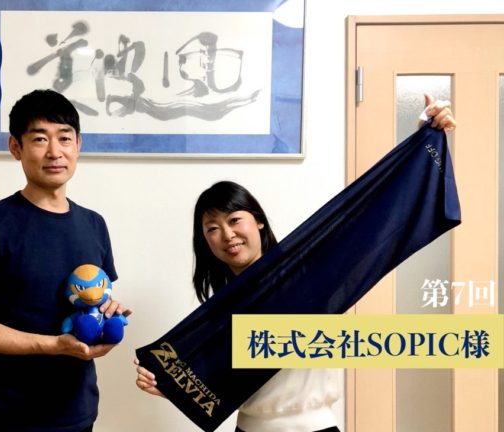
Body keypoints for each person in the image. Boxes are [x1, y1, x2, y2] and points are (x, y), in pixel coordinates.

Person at [134, 96, 456, 432]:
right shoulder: (217, 313)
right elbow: (216, 383)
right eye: (212, 228)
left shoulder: (307, 275)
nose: (227, 234)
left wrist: (423, 137)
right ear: (205, 241)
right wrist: (172, 388)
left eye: (234, 220)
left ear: (258, 221)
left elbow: (373, 223)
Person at [0, 89, 129, 432]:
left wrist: (109, 316)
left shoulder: (94, 224)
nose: (54, 151)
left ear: (78, 145)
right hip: (7, 417)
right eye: (40, 139)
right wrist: (54, 346)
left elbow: (90, 304)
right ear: (15, 147)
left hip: (78, 413)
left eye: (65, 138)